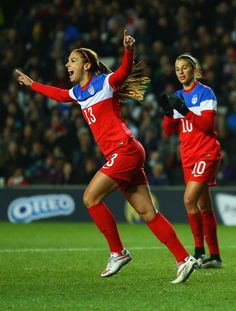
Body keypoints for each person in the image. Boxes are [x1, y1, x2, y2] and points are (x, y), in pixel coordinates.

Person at [16, 30, 198, 283]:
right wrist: (32, 84)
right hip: (126, 152)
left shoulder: (104, 82)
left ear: (87, 64)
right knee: (148, 212)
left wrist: (128, 50)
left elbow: (123, 72)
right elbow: (58, 94)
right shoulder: (78, 93)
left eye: (72, 60)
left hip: (124, 150)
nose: (67, 64)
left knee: (90, 198)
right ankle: (183, 259)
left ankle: (118, 252)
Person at [159, 53, 222, 268]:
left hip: (206, 152)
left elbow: (207, 125)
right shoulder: (176, 95)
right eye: (177, 69)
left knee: (188, 200)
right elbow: (168, 132)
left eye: (185, 67)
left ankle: (199, 253)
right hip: (188, 156)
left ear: (194, 69)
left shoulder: (205, 93)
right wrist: (168, 113)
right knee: (203, 205)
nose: (181, 71)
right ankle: (215, 257)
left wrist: (184, 110)